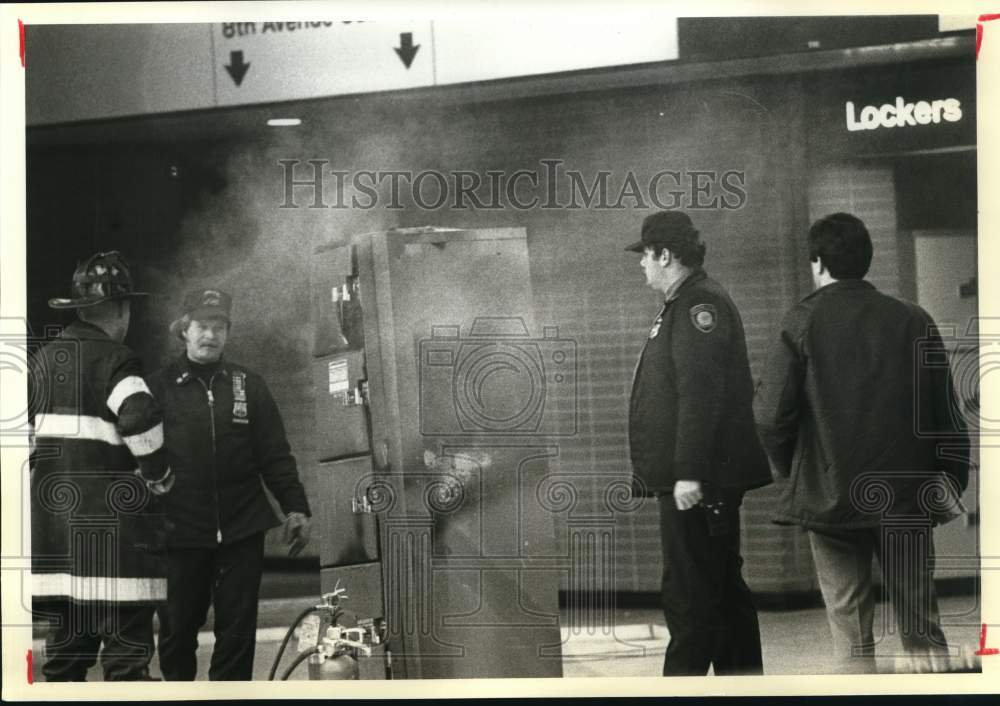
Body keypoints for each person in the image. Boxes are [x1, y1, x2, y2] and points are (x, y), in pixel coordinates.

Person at [754, 212, 970, 674]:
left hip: (830, 498)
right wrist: (950, 479)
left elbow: (770, 415)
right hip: (907, 496)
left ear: (817, 263)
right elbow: (945, 414)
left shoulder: (803, 321)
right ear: (866, 260)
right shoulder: (913, 319)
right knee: (922, 631)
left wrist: (795, 471)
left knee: (850, 638)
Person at [626, 211, 772, 676]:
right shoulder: (687, 302)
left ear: (665, 255)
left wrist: (688, 471)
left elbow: (699, 391)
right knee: (722, 594)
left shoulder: (696, 306)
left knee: (691, 598)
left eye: (645, 256)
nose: (641, 266)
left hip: (698, 482)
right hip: (701, 478)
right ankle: (743, 684)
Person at [146, 288, 312, 681]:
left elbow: (275, 455)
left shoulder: (248, 385)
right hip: (179, 532)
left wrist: (295, 506)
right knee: (177, 633)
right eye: (203, 325)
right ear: (184, 330)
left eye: (219, 326)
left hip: (242, 529)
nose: (211, 335)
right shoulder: (159, 387)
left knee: (237, 635)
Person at [29, 251, 174, 681]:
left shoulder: (40, 363)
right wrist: (159, 475)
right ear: (119, 309)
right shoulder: (116, 360)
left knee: (64, 666)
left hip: (58, 551)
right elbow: (139, 417)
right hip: (116, 554)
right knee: (126, 668)